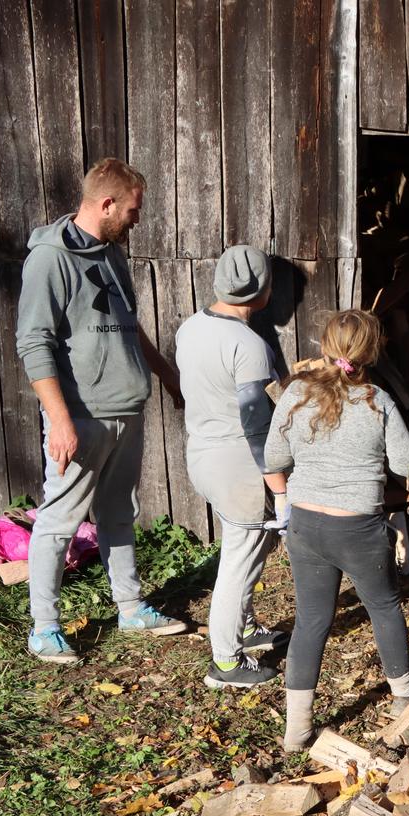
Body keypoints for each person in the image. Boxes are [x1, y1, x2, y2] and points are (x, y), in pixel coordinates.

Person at [16, 158, 187, 665]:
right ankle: (44, 628)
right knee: (59, 518)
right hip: (83, 415)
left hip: (126, 409)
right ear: (106, 203)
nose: (137, 220)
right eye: (132, 210)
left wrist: (166, 374)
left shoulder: (110, 254)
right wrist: (61, 420)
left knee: (118, 512)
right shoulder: (50, 260)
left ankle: (130, 607)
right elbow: (34, 342)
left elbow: (128, 325)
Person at [263, 310, 409, 751]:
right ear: (372, 352)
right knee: (385, 607)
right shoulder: (378, 401)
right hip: (358, 526)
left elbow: (273, 458)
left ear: (324, 348)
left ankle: (296, 730)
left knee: (311, 621)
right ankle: (403, 699)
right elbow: (407, 466)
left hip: (307, 524)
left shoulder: (295, 394)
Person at [175, 245, 290, 689]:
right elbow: (256, 425)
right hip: (237, 462)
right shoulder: (249, 345)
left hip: (201, 451)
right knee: (238, 561)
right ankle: (225, 662)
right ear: (262, 291)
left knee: (252, 547)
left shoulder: (192, 327)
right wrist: (279, 489)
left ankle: (242, 626)